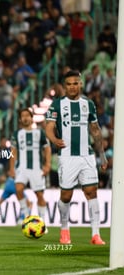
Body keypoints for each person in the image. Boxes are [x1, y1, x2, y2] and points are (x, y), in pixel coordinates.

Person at [45, 70, 107, 245]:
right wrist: (54, 139)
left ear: (80, 84)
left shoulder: (89, 104)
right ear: (65, 86)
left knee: (91, 192)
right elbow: (49, 127)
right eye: (69, 84)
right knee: (66, 195)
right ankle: (64, 230)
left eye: (75, 83)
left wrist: (101, 155)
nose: (73, 87)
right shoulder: (56, 105)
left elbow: (95, 130)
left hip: (87, 155)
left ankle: (96, 234)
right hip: (67, 156)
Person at [9, 108, 51, 225]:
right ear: (20, 119)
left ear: (32, 118)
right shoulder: (17, 134)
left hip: (36, 169)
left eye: (27, 115)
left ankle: (42, 221)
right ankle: (26, 214)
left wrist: (47, 164)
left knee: (39, 195)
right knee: (18, 189)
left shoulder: (40, 132)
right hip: (21, 168)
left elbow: (47, 148)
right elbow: (13, 152)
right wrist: (11, 168)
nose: (25, 118)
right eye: (23, 116)